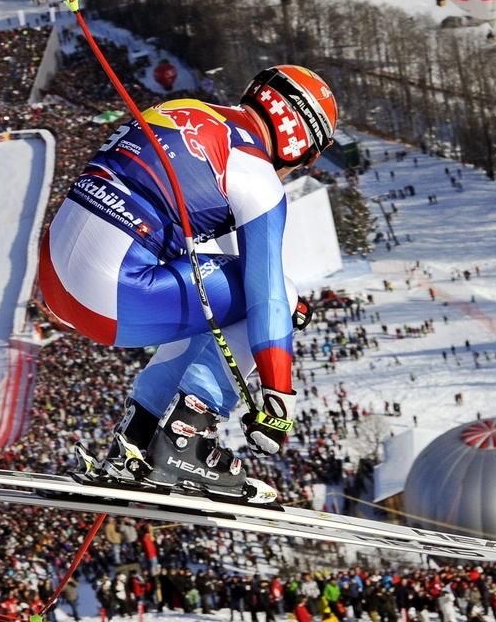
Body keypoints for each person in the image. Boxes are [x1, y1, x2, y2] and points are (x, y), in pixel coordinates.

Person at [38, 65, 337, 502]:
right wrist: (278, 396)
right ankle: (185, 440)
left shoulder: (185, 108)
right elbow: (266, 292)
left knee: (233, 305)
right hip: (110, 296)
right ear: (300, 139)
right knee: (281, 296)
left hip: (54, 279)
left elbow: (222, 260)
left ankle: (140, 435)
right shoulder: (257, 176)